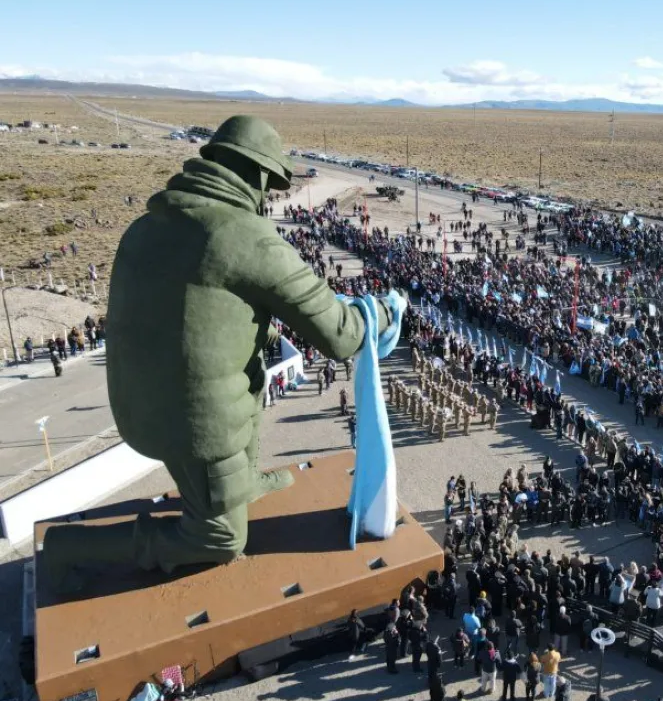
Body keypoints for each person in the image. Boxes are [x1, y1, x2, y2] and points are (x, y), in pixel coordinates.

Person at [42, 115, 404, 586]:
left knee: (247, 390)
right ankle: (71, 548)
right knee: (220, 540)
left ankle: (243, 481)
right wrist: (380, 310)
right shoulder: (244, 237)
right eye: (268, 186)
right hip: (197, 424)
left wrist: (266, 333)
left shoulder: (147, 225)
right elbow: (340, 336)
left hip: (140, 404)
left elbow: (192, 312)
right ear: (255, 176)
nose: (267, 198)